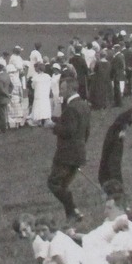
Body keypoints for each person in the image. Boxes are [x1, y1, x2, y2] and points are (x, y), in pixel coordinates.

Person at [48, 81, 92, 220]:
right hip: (79, 151)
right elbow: (86, 131)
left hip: (66, 154)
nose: (60, 92)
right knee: (64, 184)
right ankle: (72, 214)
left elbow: (69, 131)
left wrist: (52, 126)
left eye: (62, 89)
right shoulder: (84, 105)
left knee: (54, 183)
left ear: (70, 90)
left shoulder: (71, 108)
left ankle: (73, 210)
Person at [97, 106, 132, 203]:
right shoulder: (117, 137)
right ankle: (116, 194)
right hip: (110, 176)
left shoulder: (112, 132)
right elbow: (114, 164)